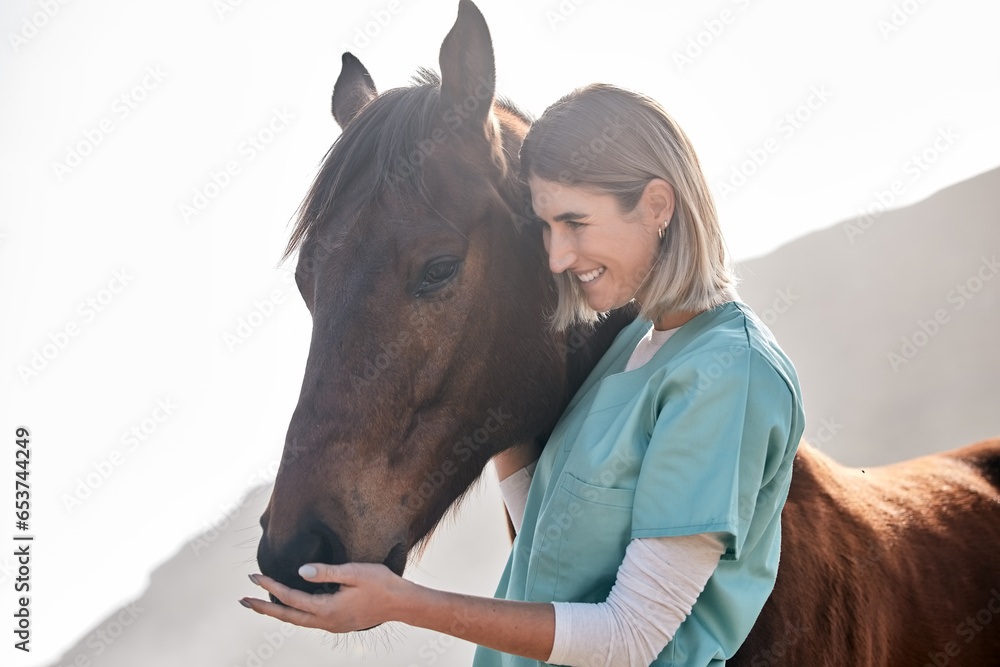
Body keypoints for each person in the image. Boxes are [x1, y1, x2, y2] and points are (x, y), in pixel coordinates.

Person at [241, 83, 805, 667]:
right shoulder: (627, 360)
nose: (557, 256)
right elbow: (554, 545)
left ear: (658, 206)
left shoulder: (727, 373)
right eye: (545, 227)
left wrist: (401, 604)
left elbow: (632, 637)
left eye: (576, 223)